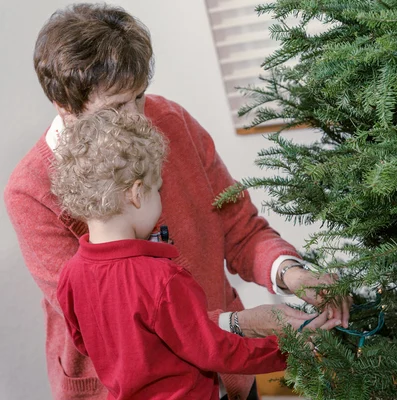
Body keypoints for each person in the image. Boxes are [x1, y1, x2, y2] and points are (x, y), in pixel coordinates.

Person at [4, 3, 350, 400]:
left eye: (139, 96)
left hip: (229, 374)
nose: (137, 118)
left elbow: (241, 228)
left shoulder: (173, 121)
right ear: (64, 104)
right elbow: (116, 325)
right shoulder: (30, 191)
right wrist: (241, 326)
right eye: (116, 107)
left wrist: (292, 274)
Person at [51, 109, 288, 400]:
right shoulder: (162, 279)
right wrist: (287, 350)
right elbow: (215, 350)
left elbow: (84, 342)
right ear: (137, 194)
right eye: (158, 189)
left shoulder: (70, 276)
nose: (161, 200)